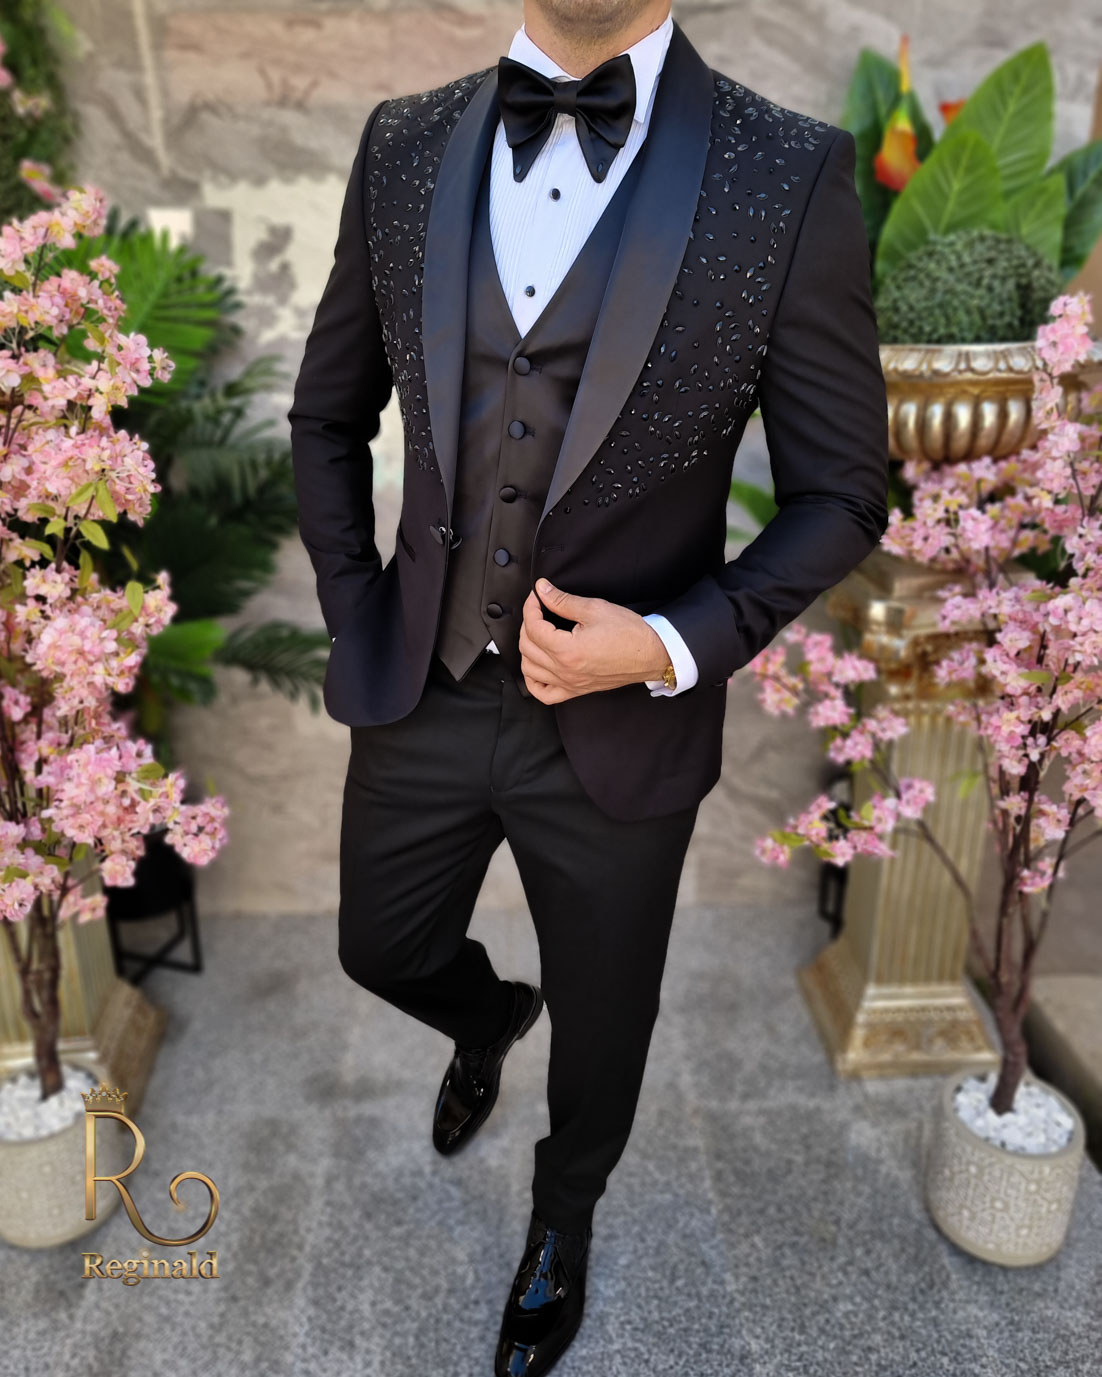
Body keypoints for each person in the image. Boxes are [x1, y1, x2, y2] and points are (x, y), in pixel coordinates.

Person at [288, 1, 890, 1371]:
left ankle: (563, 1221)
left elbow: (843, 492)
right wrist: (357, 603)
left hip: (622, 720)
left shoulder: (784, 169)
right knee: (380, 947)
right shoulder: (403, 142)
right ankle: (488, 1016)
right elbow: (327, 412)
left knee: (607, 1024)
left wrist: (669, 644)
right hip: (426, 684)